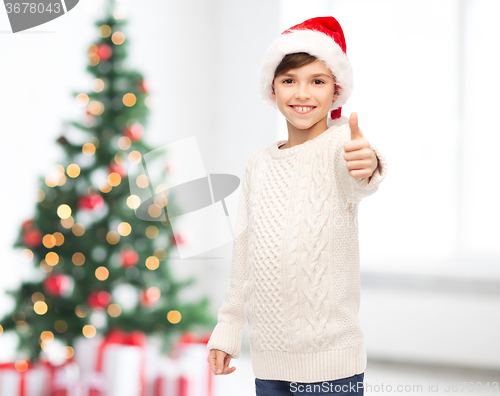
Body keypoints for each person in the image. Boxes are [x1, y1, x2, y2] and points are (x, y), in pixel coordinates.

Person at [206, 16, 388, 395]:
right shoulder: (259, 163)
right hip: (270, 359)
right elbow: (245, 254)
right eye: (289, 80)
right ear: (272, 89)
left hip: (332, 363)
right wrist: (228, 328)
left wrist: (368, 163)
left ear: (335, 91)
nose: (302, 93)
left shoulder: (341, 148)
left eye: (317, 81)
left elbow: (362, 175)